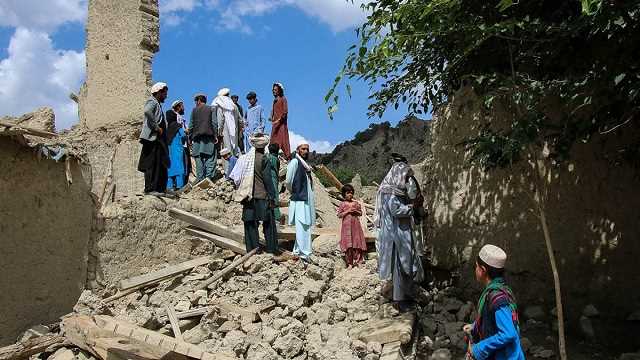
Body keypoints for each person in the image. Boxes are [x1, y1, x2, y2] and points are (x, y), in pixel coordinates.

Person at [373, 153, 423, 312]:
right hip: (397, 234)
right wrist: (412, 208)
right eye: (406, 176)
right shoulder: (391, 191)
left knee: (404, 263)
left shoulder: (393, 189)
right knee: (400, 265)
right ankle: (400, 300)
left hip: (400, 231)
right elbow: (395, 210)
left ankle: (405, 296)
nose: (408, 179)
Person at [463, 244, 525, 360]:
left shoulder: (497, 297)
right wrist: (475, 326)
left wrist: (478, 349)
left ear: (483, 270)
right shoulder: (500, 289)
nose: (475, 269)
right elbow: (491, 320)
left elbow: (508, 333)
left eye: (476, 266)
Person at [233, 134, 278, 254]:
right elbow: (267, 179)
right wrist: (272, 196)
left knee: (250, 224)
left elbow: (236, 177)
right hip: (262, 196)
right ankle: (271, 249)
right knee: (269, 224)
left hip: (248, 196)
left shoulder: (245, 159)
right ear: (264, 146)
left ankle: (253, 249)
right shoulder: (264, 159)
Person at [138, 82, 169, 195]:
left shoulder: (158, 104)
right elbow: (147, 111)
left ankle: (160, 188)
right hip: (152, 138)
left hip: (158, 139)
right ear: (159, 92)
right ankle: (150, 189)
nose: (166, 96)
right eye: (164, 93)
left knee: (159, 163)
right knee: (151, 164)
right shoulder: (152, 102)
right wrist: (156, 127)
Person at [286, 142, 315, 262]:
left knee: (305, 225)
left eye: (307, 149)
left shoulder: (305, 165)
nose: (306, 151)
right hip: (299, 199)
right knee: (302, 226)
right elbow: (288, 181)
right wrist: (294, 190)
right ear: (298, 150)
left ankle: (298, 250)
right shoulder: (295, 162)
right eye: (303, 149)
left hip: (305, 199)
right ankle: (305, 253)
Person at [189, 93, 218, 183]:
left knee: (198, 157)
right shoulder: (211, 109)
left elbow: (191, 125)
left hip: (196, 138)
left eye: (196, 101)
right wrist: (215, 135)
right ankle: (208, 177)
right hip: (208, 137)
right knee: (210, 156)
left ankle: (200, 178)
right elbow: (214, 123)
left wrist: (190, 137)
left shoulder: (194, 110)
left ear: (199, 100)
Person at [337, 184, 367, 267]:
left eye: (351, 193)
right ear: (344, 194)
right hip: (346, 227)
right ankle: (349, 263)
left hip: (355, 225)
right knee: (348, 244)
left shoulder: (356, 203)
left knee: (357, 242)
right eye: (347, 193)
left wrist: (355, 211)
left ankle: (358, 261)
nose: (350, 194)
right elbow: (339, 215)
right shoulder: (342, 204)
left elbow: (360, 213)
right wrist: (347, 211)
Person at [166, 100, 188, 190]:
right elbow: (183, 135)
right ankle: (180, 186)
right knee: (180, 167)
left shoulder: (167, 130)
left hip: (169, 150)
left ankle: (169, 186)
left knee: (170, 168)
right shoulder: (178, 126)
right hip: (179, 148)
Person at [213, 88, 242, 158]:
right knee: (234, 150)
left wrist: (219, 133)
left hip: (225, 133)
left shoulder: (221, 106)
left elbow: (220, 120)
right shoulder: (234, 106)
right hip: (235, 132)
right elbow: (240, 120)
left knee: (227, 152)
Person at [269, 82, 291, 159]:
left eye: (275, 90)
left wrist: (278, 120)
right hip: (275, 125)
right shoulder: (274, 100)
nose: (274, 91)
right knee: (273, 141)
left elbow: (285, 112)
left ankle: (287, 157)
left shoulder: (283, 99)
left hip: (281, 125)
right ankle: (273, 156)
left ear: (279, 90)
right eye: (273, 90)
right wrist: (271, 117)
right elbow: (273, 111)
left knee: (283, 141)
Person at [267, 143, 281, 222]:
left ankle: (273, 216)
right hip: (274, 180)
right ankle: (276, 216)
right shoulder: (277, 159)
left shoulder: (268, 158)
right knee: (275, 197)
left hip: (268, 179)